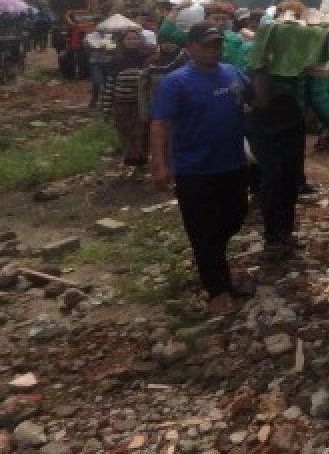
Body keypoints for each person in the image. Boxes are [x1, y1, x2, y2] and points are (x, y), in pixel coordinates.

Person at [149, 22, 251, 315]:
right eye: (206, 45)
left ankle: (211, 261)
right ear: (191, 47)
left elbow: (255, 99)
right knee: (203, 231)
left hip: (232, 165)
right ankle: (218, 289)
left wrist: (264, 68)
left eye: (217, 44)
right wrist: (160, 165)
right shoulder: (176, 82)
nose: (212, 50)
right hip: (194, 170)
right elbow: (160, 123)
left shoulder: (233, 74)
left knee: (235, 217)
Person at [101, 28, 152, 166]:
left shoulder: (146, 59)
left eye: (135, 38)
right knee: (125, 133)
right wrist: (106, 108)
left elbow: (150, 83)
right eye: (128, 39)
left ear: (140, 40)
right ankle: (132, 159)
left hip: (140, 105)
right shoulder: (116, 60)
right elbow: (110, 85)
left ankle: (141, 159)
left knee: (140, 133)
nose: (132, 41)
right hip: (121, 105)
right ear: (122, 41)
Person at [83, 24, 115, 109]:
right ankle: (94, 99)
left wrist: (110, 48)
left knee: (107, 82)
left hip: (107, 61)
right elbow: (85, 48)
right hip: (95, 62)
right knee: (97, 81)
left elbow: (113, 48)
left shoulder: (110, 35)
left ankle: (104, 102)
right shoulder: (90, 36)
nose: (102, 28)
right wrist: (92, 47)